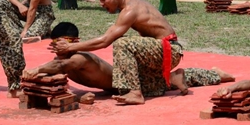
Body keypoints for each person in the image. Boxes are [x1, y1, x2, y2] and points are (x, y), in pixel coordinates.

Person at [49, 0, 185, 104]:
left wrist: (70, 47)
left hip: (170, 50)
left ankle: (136, 94)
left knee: (122, 43)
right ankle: (174, 78)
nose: (101, 4)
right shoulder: (128, 3)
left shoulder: (130, 10)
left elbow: (104, 41)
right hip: (162, 49)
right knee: (145, 85)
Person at [25, 22, 234, 97]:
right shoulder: (62, 60)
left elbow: (61, 66)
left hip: (127, 83)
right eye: (55, 45)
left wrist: (36, 69)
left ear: (73, 42)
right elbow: (60, 77)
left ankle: (215, 74)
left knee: (164, 84)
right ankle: (182, 77)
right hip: (120, 83)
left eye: (62, 44)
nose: (58, 49)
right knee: (163, 83)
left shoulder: (80, 57)